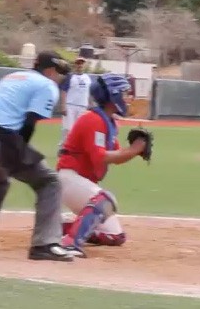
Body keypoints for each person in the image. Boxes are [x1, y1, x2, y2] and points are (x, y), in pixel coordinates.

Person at [0, 50, 75, 262]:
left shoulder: (12, 76)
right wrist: (21, 154)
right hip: (1, 140)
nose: (59, 78)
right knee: (49, 181)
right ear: (49, 70)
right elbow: (30, 122)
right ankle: (46, 244)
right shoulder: (46, 85)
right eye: (58, 73)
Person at [55, 73, 148, 258]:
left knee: (115, 236)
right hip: (68, 177)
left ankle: (57, 226)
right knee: (105, 200)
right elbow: (101, 157)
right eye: (124, 93)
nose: (127, 98)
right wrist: (134, 149)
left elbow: (117, 156)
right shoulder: (93, 119)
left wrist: (134, 151)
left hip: (83, 183)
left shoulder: (110, 122)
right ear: (112, 95)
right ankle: (70, 243)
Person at [58, 57, 92, 147]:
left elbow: (89, 92)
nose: (80, 65)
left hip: (83, 106)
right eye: (78, 63)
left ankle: (76, 148)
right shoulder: (70, 77)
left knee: (81, 129)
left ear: (84, 65)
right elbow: (63, 91)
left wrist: (90, 105)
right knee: (68, 128)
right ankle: (63, 147)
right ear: (75, 65)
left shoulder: (87, 78)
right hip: (70, 106)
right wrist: (63, 106)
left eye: (81, 63)